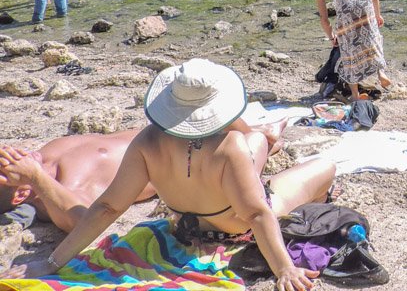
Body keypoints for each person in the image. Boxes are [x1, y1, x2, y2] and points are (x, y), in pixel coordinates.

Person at [2, 60, 336, 291]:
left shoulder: (147, 141)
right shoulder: (230, 145)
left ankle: (267, 139)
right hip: (233, 229)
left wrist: (54, 260)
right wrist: (284, 269)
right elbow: (256, 212)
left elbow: (107, 209)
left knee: (257, 144)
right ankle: (277, 149)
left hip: (180, 230)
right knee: (324, 168)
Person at [0, 130, 158, 234]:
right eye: (6, 163)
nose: (9, 153)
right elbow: (86, 222)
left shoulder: (41, 159)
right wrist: (35, 176)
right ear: (21, 193)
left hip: (160, 124)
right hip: (175, 151)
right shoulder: (68, 186)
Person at [312, 0, 392, 103]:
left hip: (345, 4)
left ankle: (355, 95)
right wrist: (378, 15)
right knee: (372, 37)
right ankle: (381, 73)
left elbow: (324, 20)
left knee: (349, 49)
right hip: (364, 0)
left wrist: (332, 38)